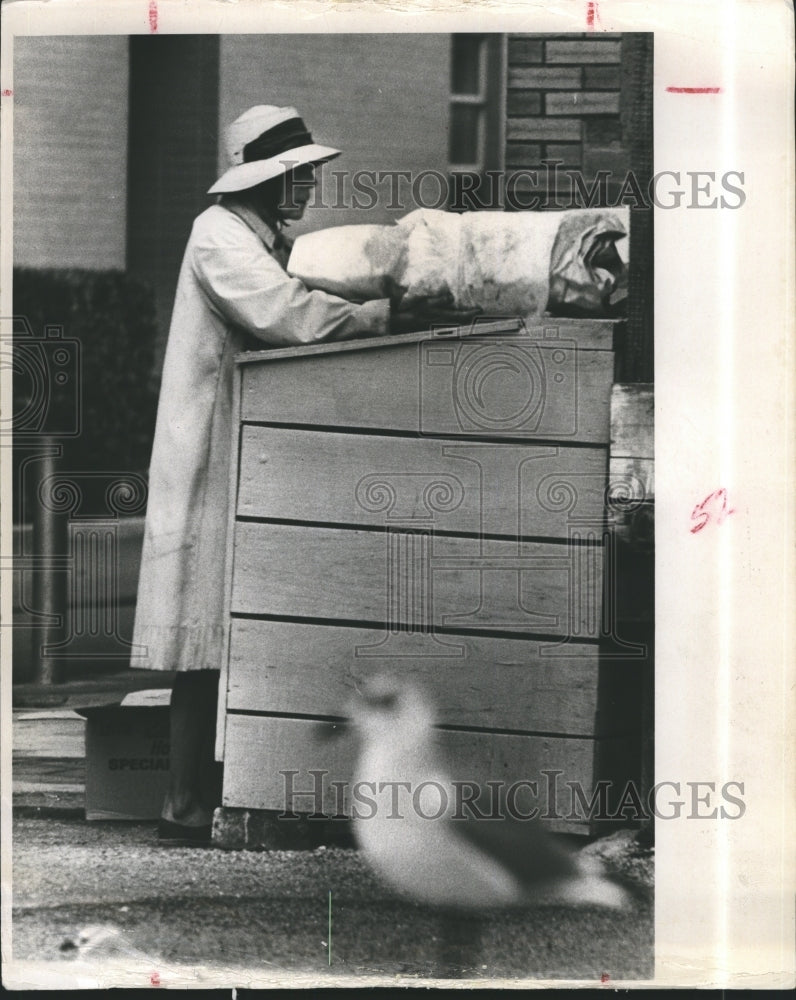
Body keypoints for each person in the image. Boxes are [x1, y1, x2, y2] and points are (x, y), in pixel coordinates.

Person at [131, 105, 478, 844]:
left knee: (230, 630)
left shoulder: (262, 239)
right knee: (202, 637)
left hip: (241, 452)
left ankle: (218, 793)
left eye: (310, 173)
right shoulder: (218, 237)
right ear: (262, 178)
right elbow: (285, 314)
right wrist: (385, 317)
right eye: (297, 174)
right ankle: (186, 806)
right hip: (211, 455)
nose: (309, 186)